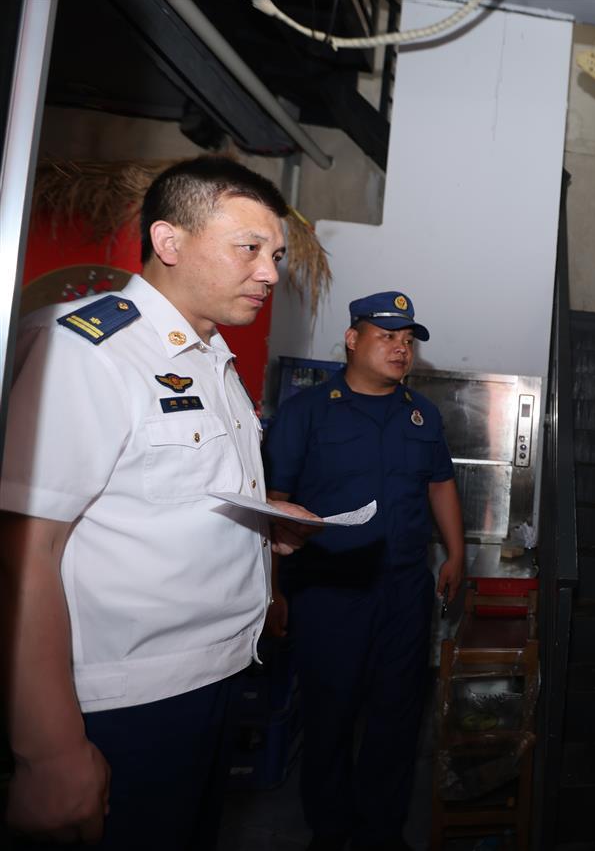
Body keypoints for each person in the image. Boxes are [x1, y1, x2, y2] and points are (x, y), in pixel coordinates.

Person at [1, 156, 314, 849]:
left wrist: (265, 527)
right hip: (128, 700)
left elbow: (169, 497)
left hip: (217, 677)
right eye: (249, 248)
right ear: (170, 242)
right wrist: (49, 751)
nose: (269, 272)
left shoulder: (212, 358)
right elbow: (25, 548)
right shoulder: (91, 351)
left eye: (276, 255)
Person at [264, 291, 465, 851]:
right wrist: (272, 589)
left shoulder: (422, 414)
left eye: (408, 341)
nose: (401, 349)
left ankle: (382, 831)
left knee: (397, 715)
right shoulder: (307, 411)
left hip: (404, 590)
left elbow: (440, 483)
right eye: (387, 337)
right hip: (330, 589)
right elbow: (275, 503)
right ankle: (330, 830)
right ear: (353, 340)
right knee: (329, 713)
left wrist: (457, 552)